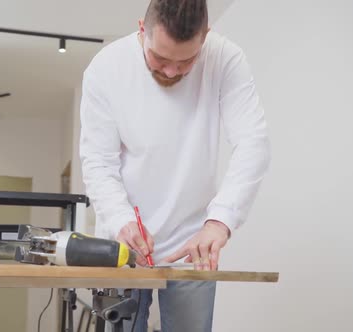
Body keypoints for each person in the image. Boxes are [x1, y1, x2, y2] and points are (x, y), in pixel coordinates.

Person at [79, 0, 270, 330]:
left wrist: (220, 222)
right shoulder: (105, 68)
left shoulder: (226, 59)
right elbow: (98, 161)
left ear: (205, 37)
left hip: (193, 244)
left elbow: (253, 144)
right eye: (160, 58)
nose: (171, 71)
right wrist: (122, 219)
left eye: (186, 61)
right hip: (125, 241)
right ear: (143, 28)